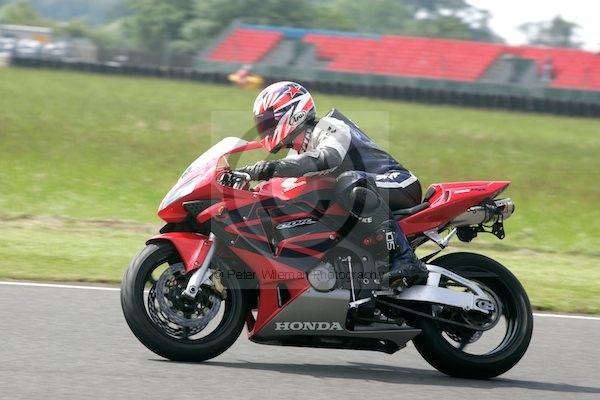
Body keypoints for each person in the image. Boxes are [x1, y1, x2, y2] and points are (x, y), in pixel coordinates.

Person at [239, 81, 428, 288]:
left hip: (398, 183)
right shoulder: (298, 152)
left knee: (348, 183)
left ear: (293, 113)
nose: (264, 129)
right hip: (368, 195)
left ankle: (406, 259)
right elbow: (282, 187)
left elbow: (326, 158)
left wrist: (266, 168)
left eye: (268, 122)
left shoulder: (329, 126)